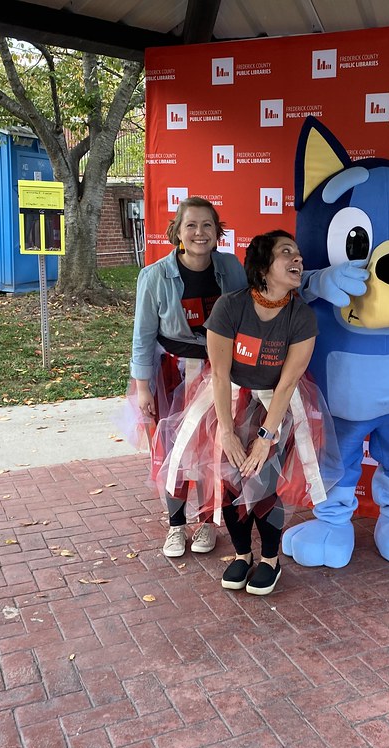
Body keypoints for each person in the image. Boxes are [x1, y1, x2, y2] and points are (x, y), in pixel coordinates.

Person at [154, 230, 339, 595]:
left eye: (299, 253)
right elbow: (220, 374)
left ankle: (270, 559)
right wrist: (226, 432)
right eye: (287, 253)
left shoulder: (301, 316)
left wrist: (265, 440)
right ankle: (242, 554)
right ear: (263, 266)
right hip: (227, 402)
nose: (297, 259)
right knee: (229, 481)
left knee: (264, 482)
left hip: (276, 405)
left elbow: (287, 384)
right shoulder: (230, 306)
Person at [127, 196, 246, 558]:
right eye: (191, 225)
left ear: (217, 232)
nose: (199, 232)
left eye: (207, 225)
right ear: (177, 231)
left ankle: (208, 523)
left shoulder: (231, 267)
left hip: (220, 374)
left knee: (215, 450)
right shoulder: (154, 276)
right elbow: (142, 336)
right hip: (172, 375)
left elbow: (247, 316)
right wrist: (143, 388)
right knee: (173, 452)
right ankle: (176, 527)